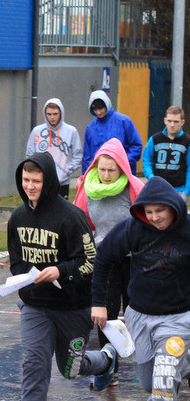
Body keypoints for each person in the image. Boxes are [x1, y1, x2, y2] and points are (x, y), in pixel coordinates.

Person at [7, 152, 117, 401]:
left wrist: (61, 271)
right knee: (33, 364)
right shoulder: (17, 218)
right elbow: (17, 263)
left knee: (71, 369)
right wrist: (20, 279)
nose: (30, 186)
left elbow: (91, 263)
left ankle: (105, 360)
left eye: (37, 181)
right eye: (26, 180)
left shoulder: (71, 216)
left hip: (72, 306)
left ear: (49, 181)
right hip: (34, 306)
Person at [91, 176, 190, 401]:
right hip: (140, 317)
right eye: (149, 211)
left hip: (178, 320)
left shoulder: (188, 231)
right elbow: (104, 259)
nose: (155, 217)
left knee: (162, 379)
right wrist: (98, 303)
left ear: (174, 207)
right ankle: (181, 367)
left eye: (161, 210)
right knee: (149, 382)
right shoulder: (131, 228)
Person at [74, 138, 143, 376]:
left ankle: (144, 363)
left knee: (137, 312)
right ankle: (107, 369)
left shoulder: (134, 186)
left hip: (134, 258)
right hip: (105, 259)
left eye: (111, 170)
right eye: (101, 169)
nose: (105, 175)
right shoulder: (87, 187)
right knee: (106, 313)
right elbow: (80, 222)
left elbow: (148, 220)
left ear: (122, 168)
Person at [26, 98, 82, 199]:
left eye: (55, 114)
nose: (52, 117)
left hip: (62, 182)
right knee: (41, 212)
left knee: (60, 213)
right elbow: (30, 156)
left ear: (61, 113)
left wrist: (67, 170)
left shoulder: (71, 131)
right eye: (49, 114)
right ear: (45, 114)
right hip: (40, 182)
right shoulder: (37, 131)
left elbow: (78, 155)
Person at [82, 90, 142, 175]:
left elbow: (136, 146)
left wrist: (121, 161)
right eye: (95, 109)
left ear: (107, 105)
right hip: (99, 176)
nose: (98, 112)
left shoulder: (124, 121)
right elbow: (87, 158)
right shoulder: (91, 128)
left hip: (123, 174)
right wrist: (85, 177)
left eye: (101, 108)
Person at [142, 105, 190, 199]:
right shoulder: (154, 139)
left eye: (176, 121)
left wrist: (186, 192)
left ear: (182, 122)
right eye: (169, 121)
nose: (172, 125)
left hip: (179, 191)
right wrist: (151, 178)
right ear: (165, 120)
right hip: (157, 189)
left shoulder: (187, 141)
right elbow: (147, 160)